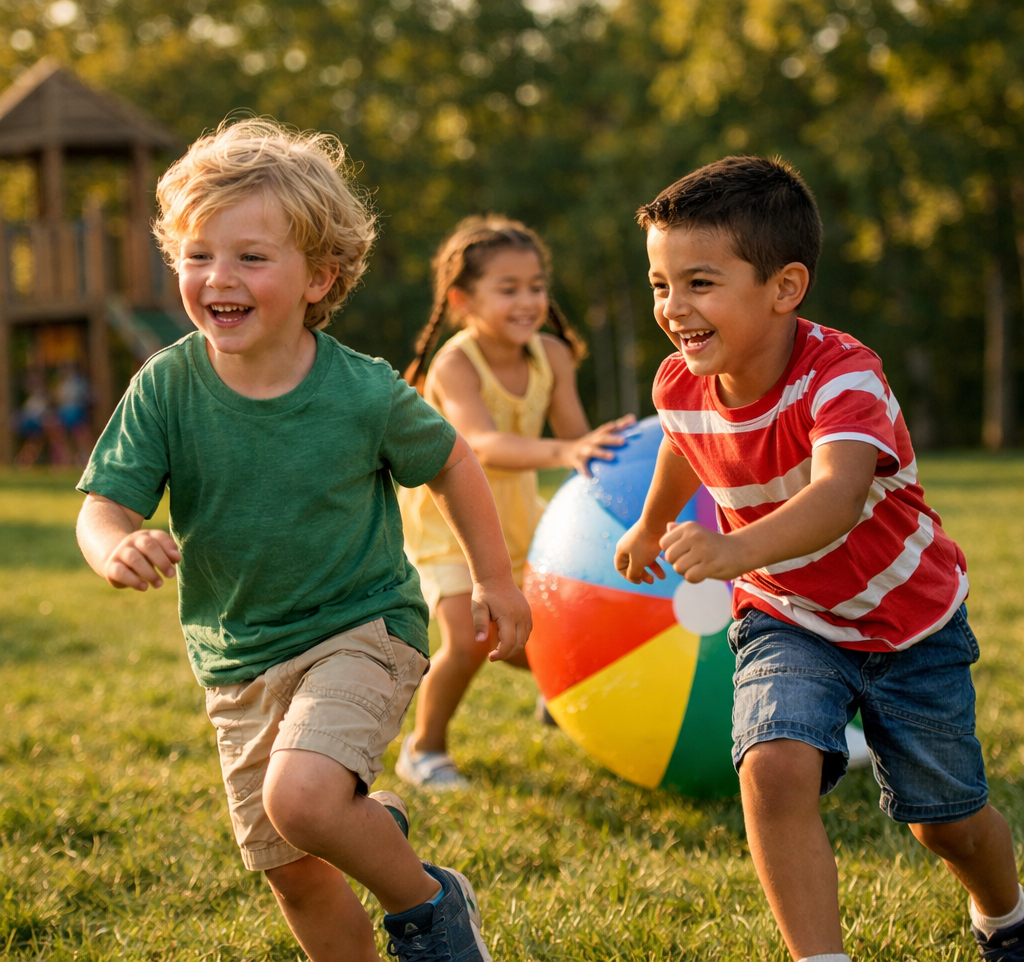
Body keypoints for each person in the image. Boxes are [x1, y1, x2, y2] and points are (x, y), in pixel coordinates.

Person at [74, 119, 530, 962]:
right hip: (238, 660)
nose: (219, 277)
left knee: (304, 800)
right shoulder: (167, 385)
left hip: (360, 628)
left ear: (321, 276)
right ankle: (369, 822)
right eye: (198, 253)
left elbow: (455, 462)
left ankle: (433, 908)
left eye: (252, 257)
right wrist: (113, 544)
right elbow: (102, 504)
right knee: (299, 871)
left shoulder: (363, 391)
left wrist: (494, 581)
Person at [615, 156, 1024, 962]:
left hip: (910, 625)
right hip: (786, 617)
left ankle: (1005, 915)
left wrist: (730, 547)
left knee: (945, 821)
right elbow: (680, 442)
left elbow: (837, 497)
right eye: (661, 284)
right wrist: (647, 522)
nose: (673, 308)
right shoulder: (680, 384)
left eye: (699, 283)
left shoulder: (844, 377)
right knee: (770, 767)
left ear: (785, 286)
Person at [395, 216, 633, 789]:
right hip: (448, 521)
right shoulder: (455, 364)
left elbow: (578, 439)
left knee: (543, 633)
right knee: (472, 637)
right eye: (508, 289)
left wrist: (612, 467)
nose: (528, 300)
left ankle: (560, 692)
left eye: (535, 285)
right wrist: (564, 449)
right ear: (462, 300)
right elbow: (480, 445)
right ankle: (423, 749)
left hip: (521, 517)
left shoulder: (551, 354)